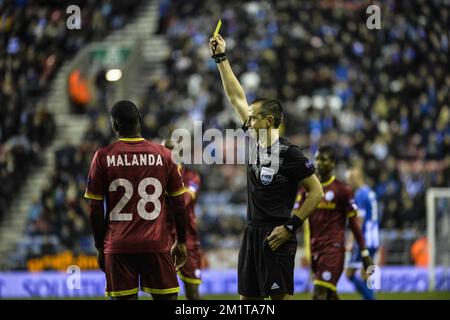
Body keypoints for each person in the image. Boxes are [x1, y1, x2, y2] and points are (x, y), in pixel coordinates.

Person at [209, 34, 324, 300]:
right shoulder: (253, 141)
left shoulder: (290, 153)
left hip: (277, 236)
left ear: (268, 120)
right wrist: (220, 58)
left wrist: (290, 228)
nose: (246, 122)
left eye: (252, 118)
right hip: (251, 235)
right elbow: (236, 96)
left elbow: (316, 192)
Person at [84, 100, 188, 300]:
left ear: (114, 126)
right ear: (139, 120)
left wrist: (99, 246)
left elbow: (95, 209)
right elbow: (179, 203)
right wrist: (181, 241)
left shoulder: (102, 157)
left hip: (118, 246)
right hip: (156, 245)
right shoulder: (165, 155)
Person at [294, 146, 373, 300]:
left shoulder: (342, 190)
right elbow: (295, 217)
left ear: (333, 163)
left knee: (318, 294)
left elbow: (354, 225)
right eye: (316, 159)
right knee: (330, 295)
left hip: (333, 250)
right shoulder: (306, 190)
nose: (318, 163)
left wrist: (364, 254)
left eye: (323, 159)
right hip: (315, 250)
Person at [163, 138, 203, 300]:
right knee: (167, 293)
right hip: (163, 238)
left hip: (188, 239)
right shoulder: (156, 176)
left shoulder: (191, 176)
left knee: (193, 293)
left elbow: (184, 200)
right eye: (166, 148)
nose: (168, 152)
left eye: (172, 149)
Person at [344, 167, 380, 300]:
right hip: (374, 238)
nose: (349, 183)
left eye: (351, 179)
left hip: (364, 240)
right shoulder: (370, 192)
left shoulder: (360, 194)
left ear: (358, 178)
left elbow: (358, 222)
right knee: (366, 274)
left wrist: (350, 241)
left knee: (349, 274)